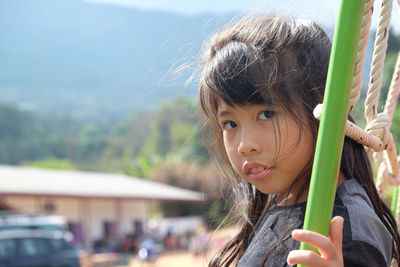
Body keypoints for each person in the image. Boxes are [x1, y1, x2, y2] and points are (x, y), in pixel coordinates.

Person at [197, 15, 400, 267]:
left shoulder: (342, 231)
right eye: (230, 124)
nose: (244, 145)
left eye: (266, 114)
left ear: (318, 109)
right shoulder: (281, 201)